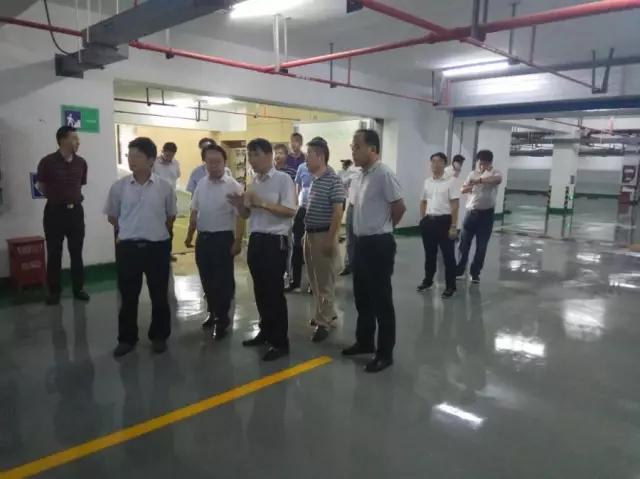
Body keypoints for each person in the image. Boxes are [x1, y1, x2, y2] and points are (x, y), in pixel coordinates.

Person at [104, 137, 177, 357]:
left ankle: (159, 336)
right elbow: (113, 217)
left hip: (157, 248)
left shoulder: (164, 187)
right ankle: (127, 338)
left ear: (151, 160)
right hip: (128, 249)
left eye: (137, 156)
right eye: (130, 155)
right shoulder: (119, 187)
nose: (131, 160)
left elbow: (170, 216)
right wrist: (131, 230)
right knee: (128, 297)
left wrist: (152, 231)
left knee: (159, 295)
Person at [342, 129, 406, 373]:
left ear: (372, 149)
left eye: (357, 146)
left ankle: (385, 353)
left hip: (379, 243)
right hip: (361, 243)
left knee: (381, 300)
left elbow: (399, 207)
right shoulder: (359, 175)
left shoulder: (384, 174)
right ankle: (365, 341)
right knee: (362, 297)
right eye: (352, 146)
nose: (353, 151)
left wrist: (384, 228)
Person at [227, 138, 296, 362]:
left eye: (255, 154)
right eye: (249, 155)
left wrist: (261, 203)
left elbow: (290, 211)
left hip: (275, 241)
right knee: (260, 290)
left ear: (268, 155)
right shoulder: (254, 181)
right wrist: (240, 205)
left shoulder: (283, 179)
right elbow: (247, 214)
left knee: (274, 292)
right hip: (256, 239)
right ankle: (265, 331)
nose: (252, 160)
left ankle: (280, 342)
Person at [184, 144, 244, 340]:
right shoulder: (201, 184)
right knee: (206, 279)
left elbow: (240, 216)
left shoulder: (233, 186)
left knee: (222, 282)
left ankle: (222, 320)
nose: (214, 165)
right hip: (204, 239)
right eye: (210, 162)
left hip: (223, 239)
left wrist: (238, 241)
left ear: (224, 162)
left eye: (218, 162)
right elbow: (194, 210)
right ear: (205, 163)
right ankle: (212, 311)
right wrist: (190, 234)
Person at [37, 126, 90, 305]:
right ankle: (54, 292)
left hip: (76, 212)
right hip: (54, 212)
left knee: (76, 252)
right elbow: (42, 187)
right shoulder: (47, 162)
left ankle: (78, 288)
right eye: (74, 138)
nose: (78, 141)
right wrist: (57, 198)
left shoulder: (81, 163)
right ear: (62, 140)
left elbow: (79, 185)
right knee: (54, 253)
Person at [303, 137, 345, 342]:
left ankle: (324, 323)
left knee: (325, 281)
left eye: (308, 155)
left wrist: (330, 239)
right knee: (314, 279)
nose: (306, 160)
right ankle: (325, 313)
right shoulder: (315, 180)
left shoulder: (333, 180)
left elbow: (338, 213)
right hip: (310, 234)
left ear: (320, 156)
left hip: (322, 235)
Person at [456, 149, 503, 284]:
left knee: (481, 246)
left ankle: (475, 273)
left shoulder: (495, 172)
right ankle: (459, 270)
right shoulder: (472, 173)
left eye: (484, 163)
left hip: (486, 216)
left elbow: (498, 180)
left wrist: (480, 180)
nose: (482, 166)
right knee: (464, 244)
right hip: (471, 214)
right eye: (480, 163)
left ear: (490, 162)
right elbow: (462, 189)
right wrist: (469, 187)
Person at [417, 153, 459, 298]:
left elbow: (455, 205)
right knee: (429, 254)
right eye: (433, 161)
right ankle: (428, 281)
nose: (435, 164)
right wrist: (422, 219)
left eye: (439, 161)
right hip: (429, 222)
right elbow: (423, 201)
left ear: (444, 164)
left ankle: (451, 286)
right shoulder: (427, 182)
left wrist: (453, 226)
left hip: (445, 222)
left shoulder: (451, 181)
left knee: (448, 256)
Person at [285, 149, 313, 292]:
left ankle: (312, 283)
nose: (308, 156)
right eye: (308, 153)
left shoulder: (326, 171)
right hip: (301, 209)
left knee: (312, 249)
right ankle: (295, 281)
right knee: (297, 246)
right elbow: (297, 185)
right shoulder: (302, 167)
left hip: (315, 211)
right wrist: (296, 204)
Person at [153, 142, 181, 262]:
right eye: (167, 154)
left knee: (169, 227)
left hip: (171, 198)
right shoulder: (154, 163)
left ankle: (167, 253)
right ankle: (155, 253)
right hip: (156, 198)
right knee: (156, 226)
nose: (169, 157)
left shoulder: (176, 163)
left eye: (172, 155)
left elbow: (177, 176)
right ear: (162, 151)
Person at [338, 159, 360, 275]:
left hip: (365, 208)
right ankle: (349, 265)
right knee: (350, 237)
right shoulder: (352, 170)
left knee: (363, 238)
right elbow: (342, 182)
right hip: (352, 206)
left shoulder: (375, 171)